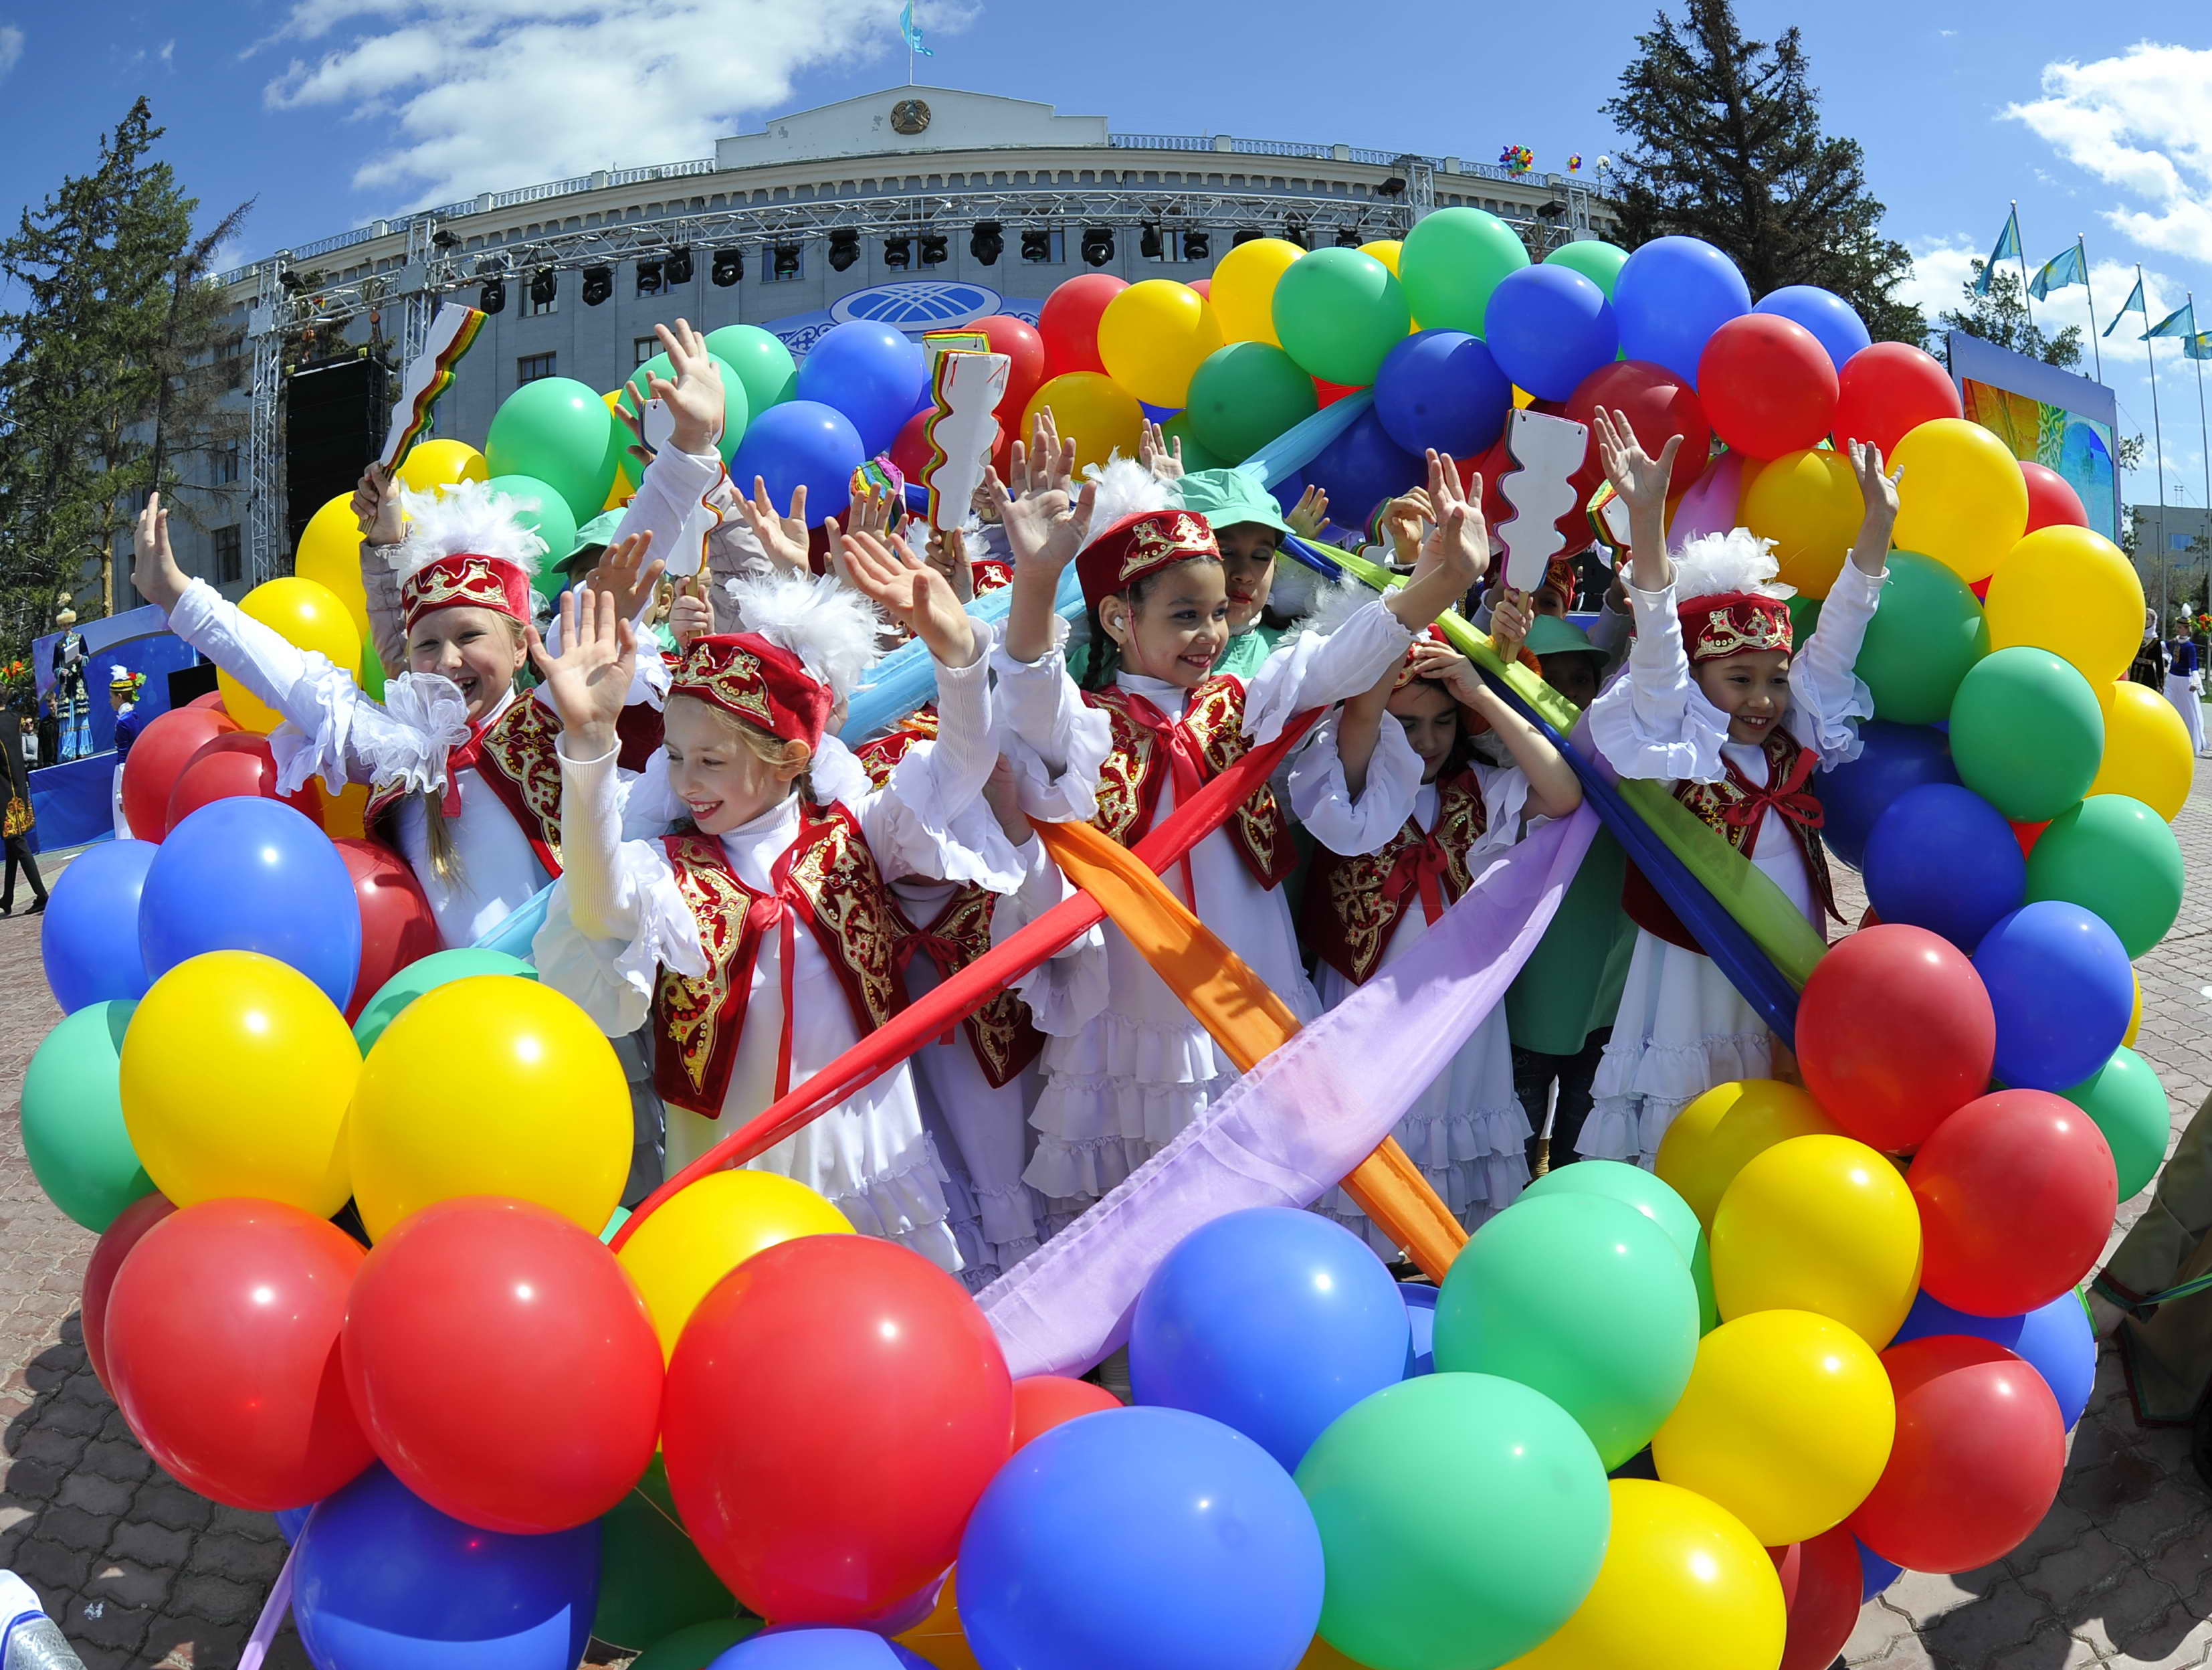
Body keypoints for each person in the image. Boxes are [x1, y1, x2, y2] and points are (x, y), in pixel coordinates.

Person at [990, 435, 1490, 1228]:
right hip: (1139, 983)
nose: (1209, 634)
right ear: (1117, 618)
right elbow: (1025, 688)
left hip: (1246, 966)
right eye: (1185, 616)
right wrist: (1038, 578)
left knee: (1260, 1177)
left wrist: (1441, 581)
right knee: (1143, 1196)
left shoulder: (1243, 702)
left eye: (1218, 613)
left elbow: (1339, 661)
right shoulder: (1085, 725)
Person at [530, 530, 1007, 1275]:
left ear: (790, 759)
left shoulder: (858, 838)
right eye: (676, 757)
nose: (687, 782)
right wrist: (589, 746)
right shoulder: (670, 872)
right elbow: (596, 907)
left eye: (712, 760)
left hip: (865, 1158)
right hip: (734, 1176)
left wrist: (960, 661)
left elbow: (957, 770)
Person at [1579, 407, 1897, 1167]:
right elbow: (1659, 658)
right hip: (1699, 958)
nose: (1762, 699)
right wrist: (1647, 528)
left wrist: (1875, 531)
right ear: (1697, 681)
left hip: (1786, 952)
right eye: (1739, 679)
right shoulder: (1678, 747)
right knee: (1695, 1107)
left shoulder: (1790, 741)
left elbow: (1836, 642)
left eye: (1774, 680)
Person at [1290, 605, 1582, 1248]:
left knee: (1452, 1108)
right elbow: (1357, 725)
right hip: (1366, 990)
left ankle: (1445, 1250)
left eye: (1442, 722)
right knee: (1367, 1117)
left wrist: (1478, 692)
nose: (1427, 742)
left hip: (1456, 1000)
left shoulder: (1480, 785)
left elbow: (1563, 794)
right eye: (1407, 724)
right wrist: (1387, 650)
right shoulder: (1349, 786)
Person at [0, 711, 45, 917]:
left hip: (4, 792)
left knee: (17, 842)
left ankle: (42, 895)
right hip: (19, 788)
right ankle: (7, 898)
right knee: (13, 845)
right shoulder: (16, 718)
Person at [108, 666, 144, 839]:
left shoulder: (123, 722)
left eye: (111, 697)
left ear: (120, 697)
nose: (110, 702)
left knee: (123, 821)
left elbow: (123, 757)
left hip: (125, 773)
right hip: (136, 771)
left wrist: (121, 794)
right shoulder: (135, 716)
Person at [2164, 616, 2207, 755]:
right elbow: (2162, 647)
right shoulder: (2173, 643)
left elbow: (2194, 666)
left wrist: (2195, 682)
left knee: (2189, 710)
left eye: (2181, 628)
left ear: (2187, 630)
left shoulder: (2190, 647)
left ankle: (2190, 739)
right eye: (2177, 627)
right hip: (2171, 679)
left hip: (2184, 681)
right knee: (2169, 706)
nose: (2178, 629)